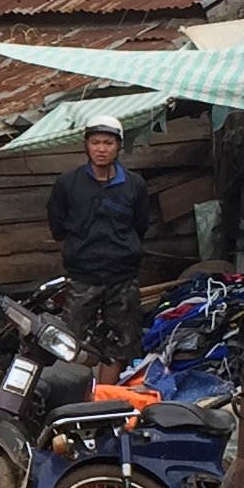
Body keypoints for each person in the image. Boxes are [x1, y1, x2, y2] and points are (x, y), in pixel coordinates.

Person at [47, 115, 156, 365]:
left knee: (122, 344)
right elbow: (57, 225)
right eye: (95, 142)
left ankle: (109, 396)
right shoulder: (68, 183)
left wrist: (124, 250)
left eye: (108, 143)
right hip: (83, 277)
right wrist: (78, 254)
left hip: (123, 278)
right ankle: (75, 396)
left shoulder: (134, 184)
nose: (101, 149)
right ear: (86, 145)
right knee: (70, 342)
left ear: (118, 146)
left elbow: (140, 225)